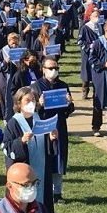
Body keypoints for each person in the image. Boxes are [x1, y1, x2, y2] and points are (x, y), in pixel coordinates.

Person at [2, 86, 59, 213]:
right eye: (27, 101)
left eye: (33, 100)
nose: (31, 104)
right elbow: (6, 148)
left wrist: (51, 139)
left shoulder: (38, 118)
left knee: (43, 203)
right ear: (18, 104)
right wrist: (21, 141)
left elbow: (46, 145)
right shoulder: (13, 123)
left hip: (42, 170)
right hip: (25, 173)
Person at [30, 59, 75, 203]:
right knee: (45, 158)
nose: (53, 70)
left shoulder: (63, 85)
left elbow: (68, 110)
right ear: (43, 69)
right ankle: (43, 190)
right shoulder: (36, 87)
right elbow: (31, 110)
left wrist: (69, 104)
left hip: (59, 126)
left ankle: (57, 192)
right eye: (50, 68)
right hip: (43, 127)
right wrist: (39, 104)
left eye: (56, 67)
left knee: (59, 158)